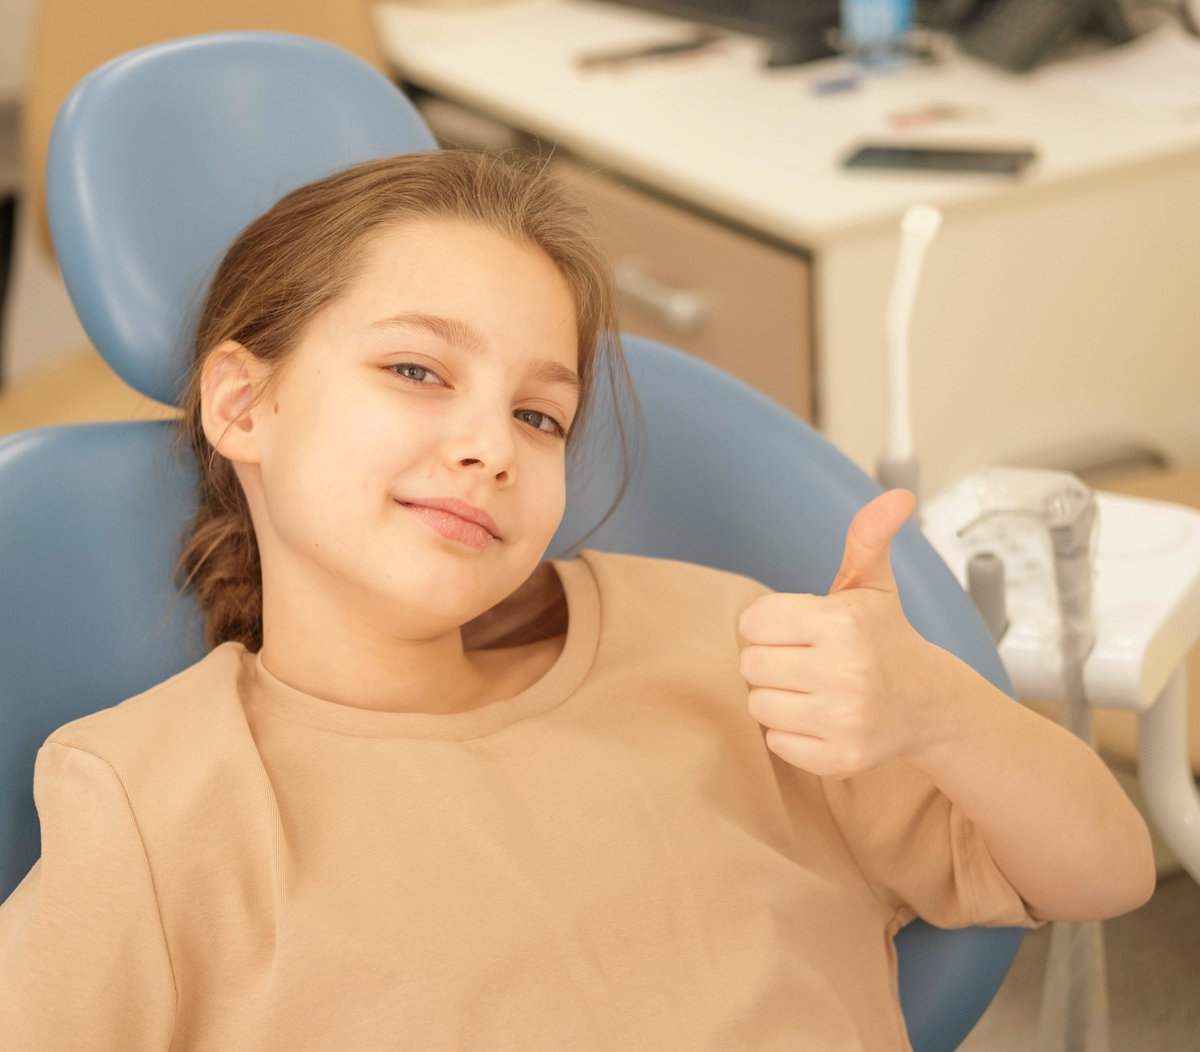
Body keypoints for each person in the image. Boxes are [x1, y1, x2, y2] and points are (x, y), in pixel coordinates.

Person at [0, 149, 1052, 1051]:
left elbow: (1099, 867)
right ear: (243, 403)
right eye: (416, 368)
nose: (488, 446)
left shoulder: (723, 652)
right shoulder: (154, 798)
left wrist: (937, 704)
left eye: (540, 415)